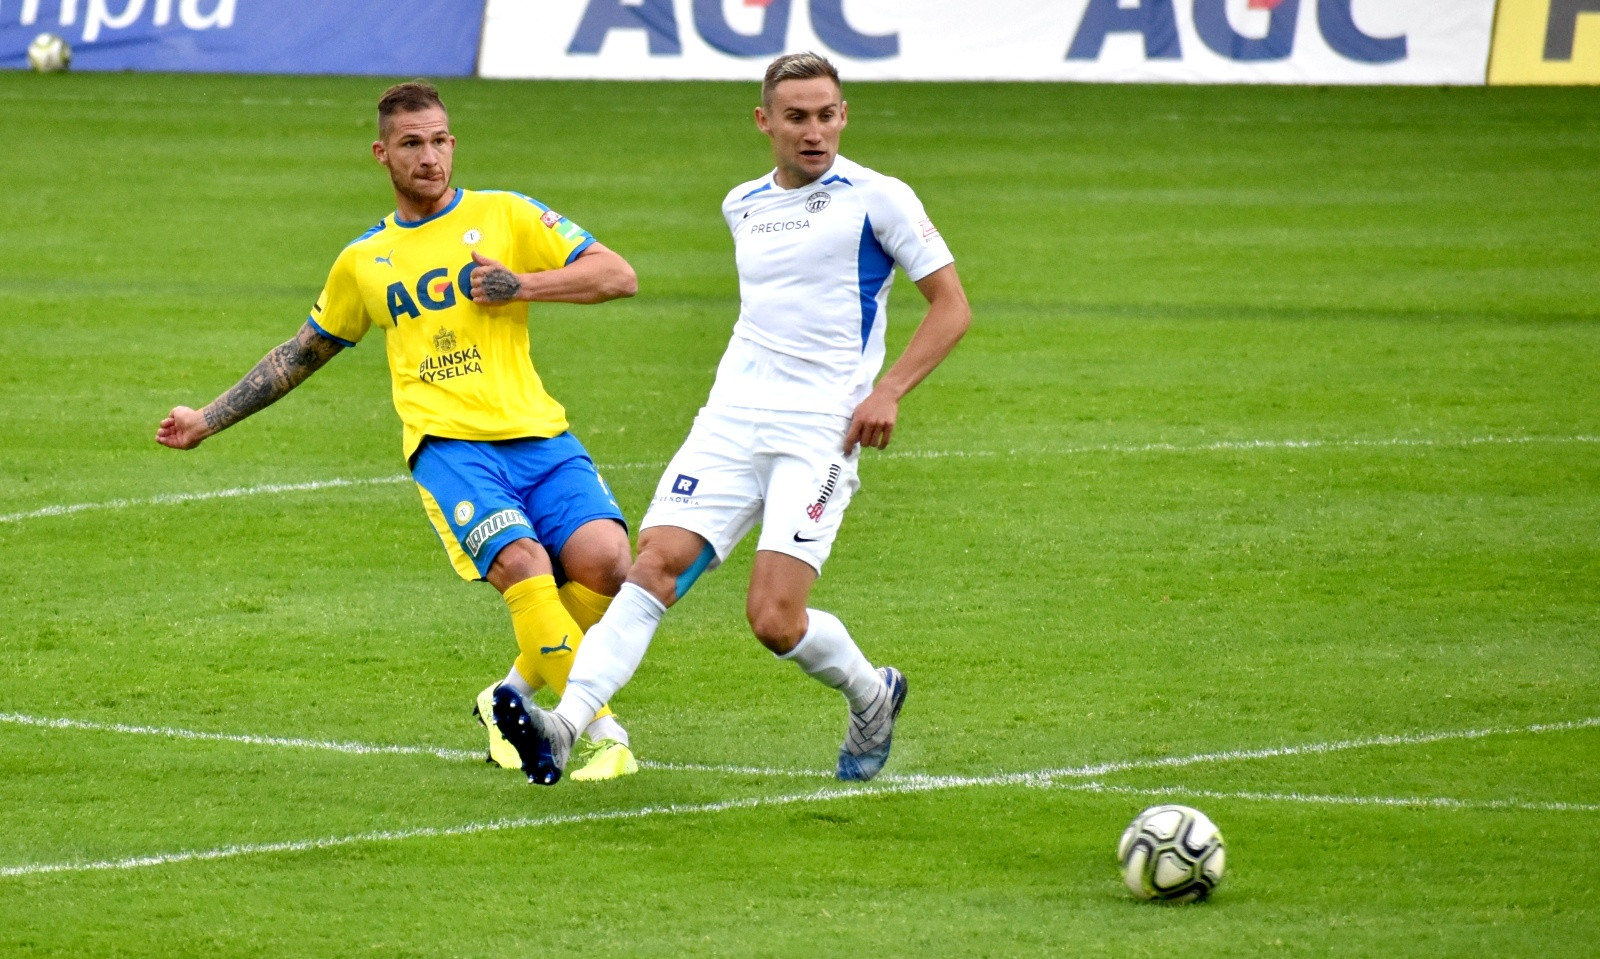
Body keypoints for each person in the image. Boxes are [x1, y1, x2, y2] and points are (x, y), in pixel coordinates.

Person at [491, 52, 972, 785]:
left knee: (774, 620)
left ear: (844, 115)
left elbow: (952, 306)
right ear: (764, 122)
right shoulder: (742, 203)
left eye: (827, 115)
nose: (814, 131)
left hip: (819, 431)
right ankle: (566, 723)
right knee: (652, 567)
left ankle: (871, 695)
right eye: (797, 117)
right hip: (728, 421)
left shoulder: (879, 199)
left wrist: (890, 390)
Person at [156, 80, 643, 782]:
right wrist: (206, 419)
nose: (430, 156)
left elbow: (617, 275)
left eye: (440, 140)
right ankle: (597, 733)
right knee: (526, 567)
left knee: (608, 565)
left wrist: (522, 286)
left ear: (454, 143)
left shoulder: (506, 214)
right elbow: (301, 352)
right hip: (449, 449)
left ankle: (509, 696)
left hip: (540, 435)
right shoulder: (364, 260)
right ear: (382, 154)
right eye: (412, 144)